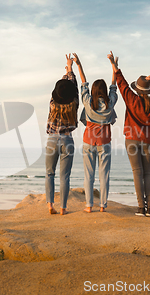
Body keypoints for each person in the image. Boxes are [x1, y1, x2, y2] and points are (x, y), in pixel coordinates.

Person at [108, 51, 150, 217]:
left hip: (131, 140)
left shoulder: (131, 98)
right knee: (148, 174)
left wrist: (114, 65)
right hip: (148, 141)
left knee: (137, 173)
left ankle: (140, 208)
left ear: (137, 89)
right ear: (149, 90)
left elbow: (121, 83)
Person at [74, 53, 118, 213]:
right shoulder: (110, 103)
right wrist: (114, 66)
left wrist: (78, 65)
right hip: (104, 143)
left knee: (88, 176)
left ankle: (88, 206)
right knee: (104, 176)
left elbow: (83, 84)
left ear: (93, 90)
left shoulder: (88, 103)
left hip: (88, 142)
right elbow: (114, 86)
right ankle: (102, 206)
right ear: (104, 91)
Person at [45, 54, 79, 215]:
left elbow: (62, 88)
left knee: (49, 173)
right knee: (65, 176)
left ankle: (50, 205)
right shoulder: (74, 103)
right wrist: (70, 68)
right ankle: (63, 208)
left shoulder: (53, 103)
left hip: (52, 139)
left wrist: (66, 71)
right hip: (68, 140)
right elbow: (70, 88)